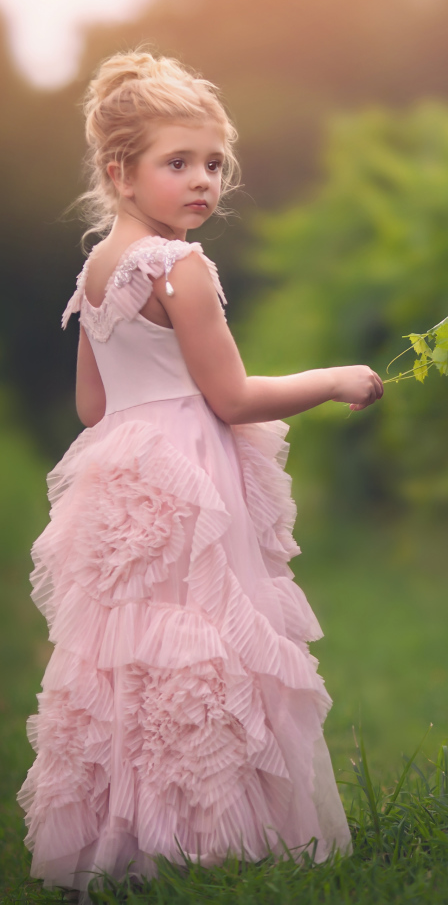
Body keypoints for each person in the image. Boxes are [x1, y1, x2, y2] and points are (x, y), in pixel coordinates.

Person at [17, 51, 383, 898]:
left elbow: (89, 405)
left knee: (131, 654)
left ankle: (128, 840)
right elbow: (230, 395)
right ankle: (211, 834)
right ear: (122, 171)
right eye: (177, 163)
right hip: (187, 469)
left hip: (123, 475)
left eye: (214, 163)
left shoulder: (98, 271)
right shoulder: (182, 268)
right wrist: (333, 381)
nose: (203, 182)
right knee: (204, 644)